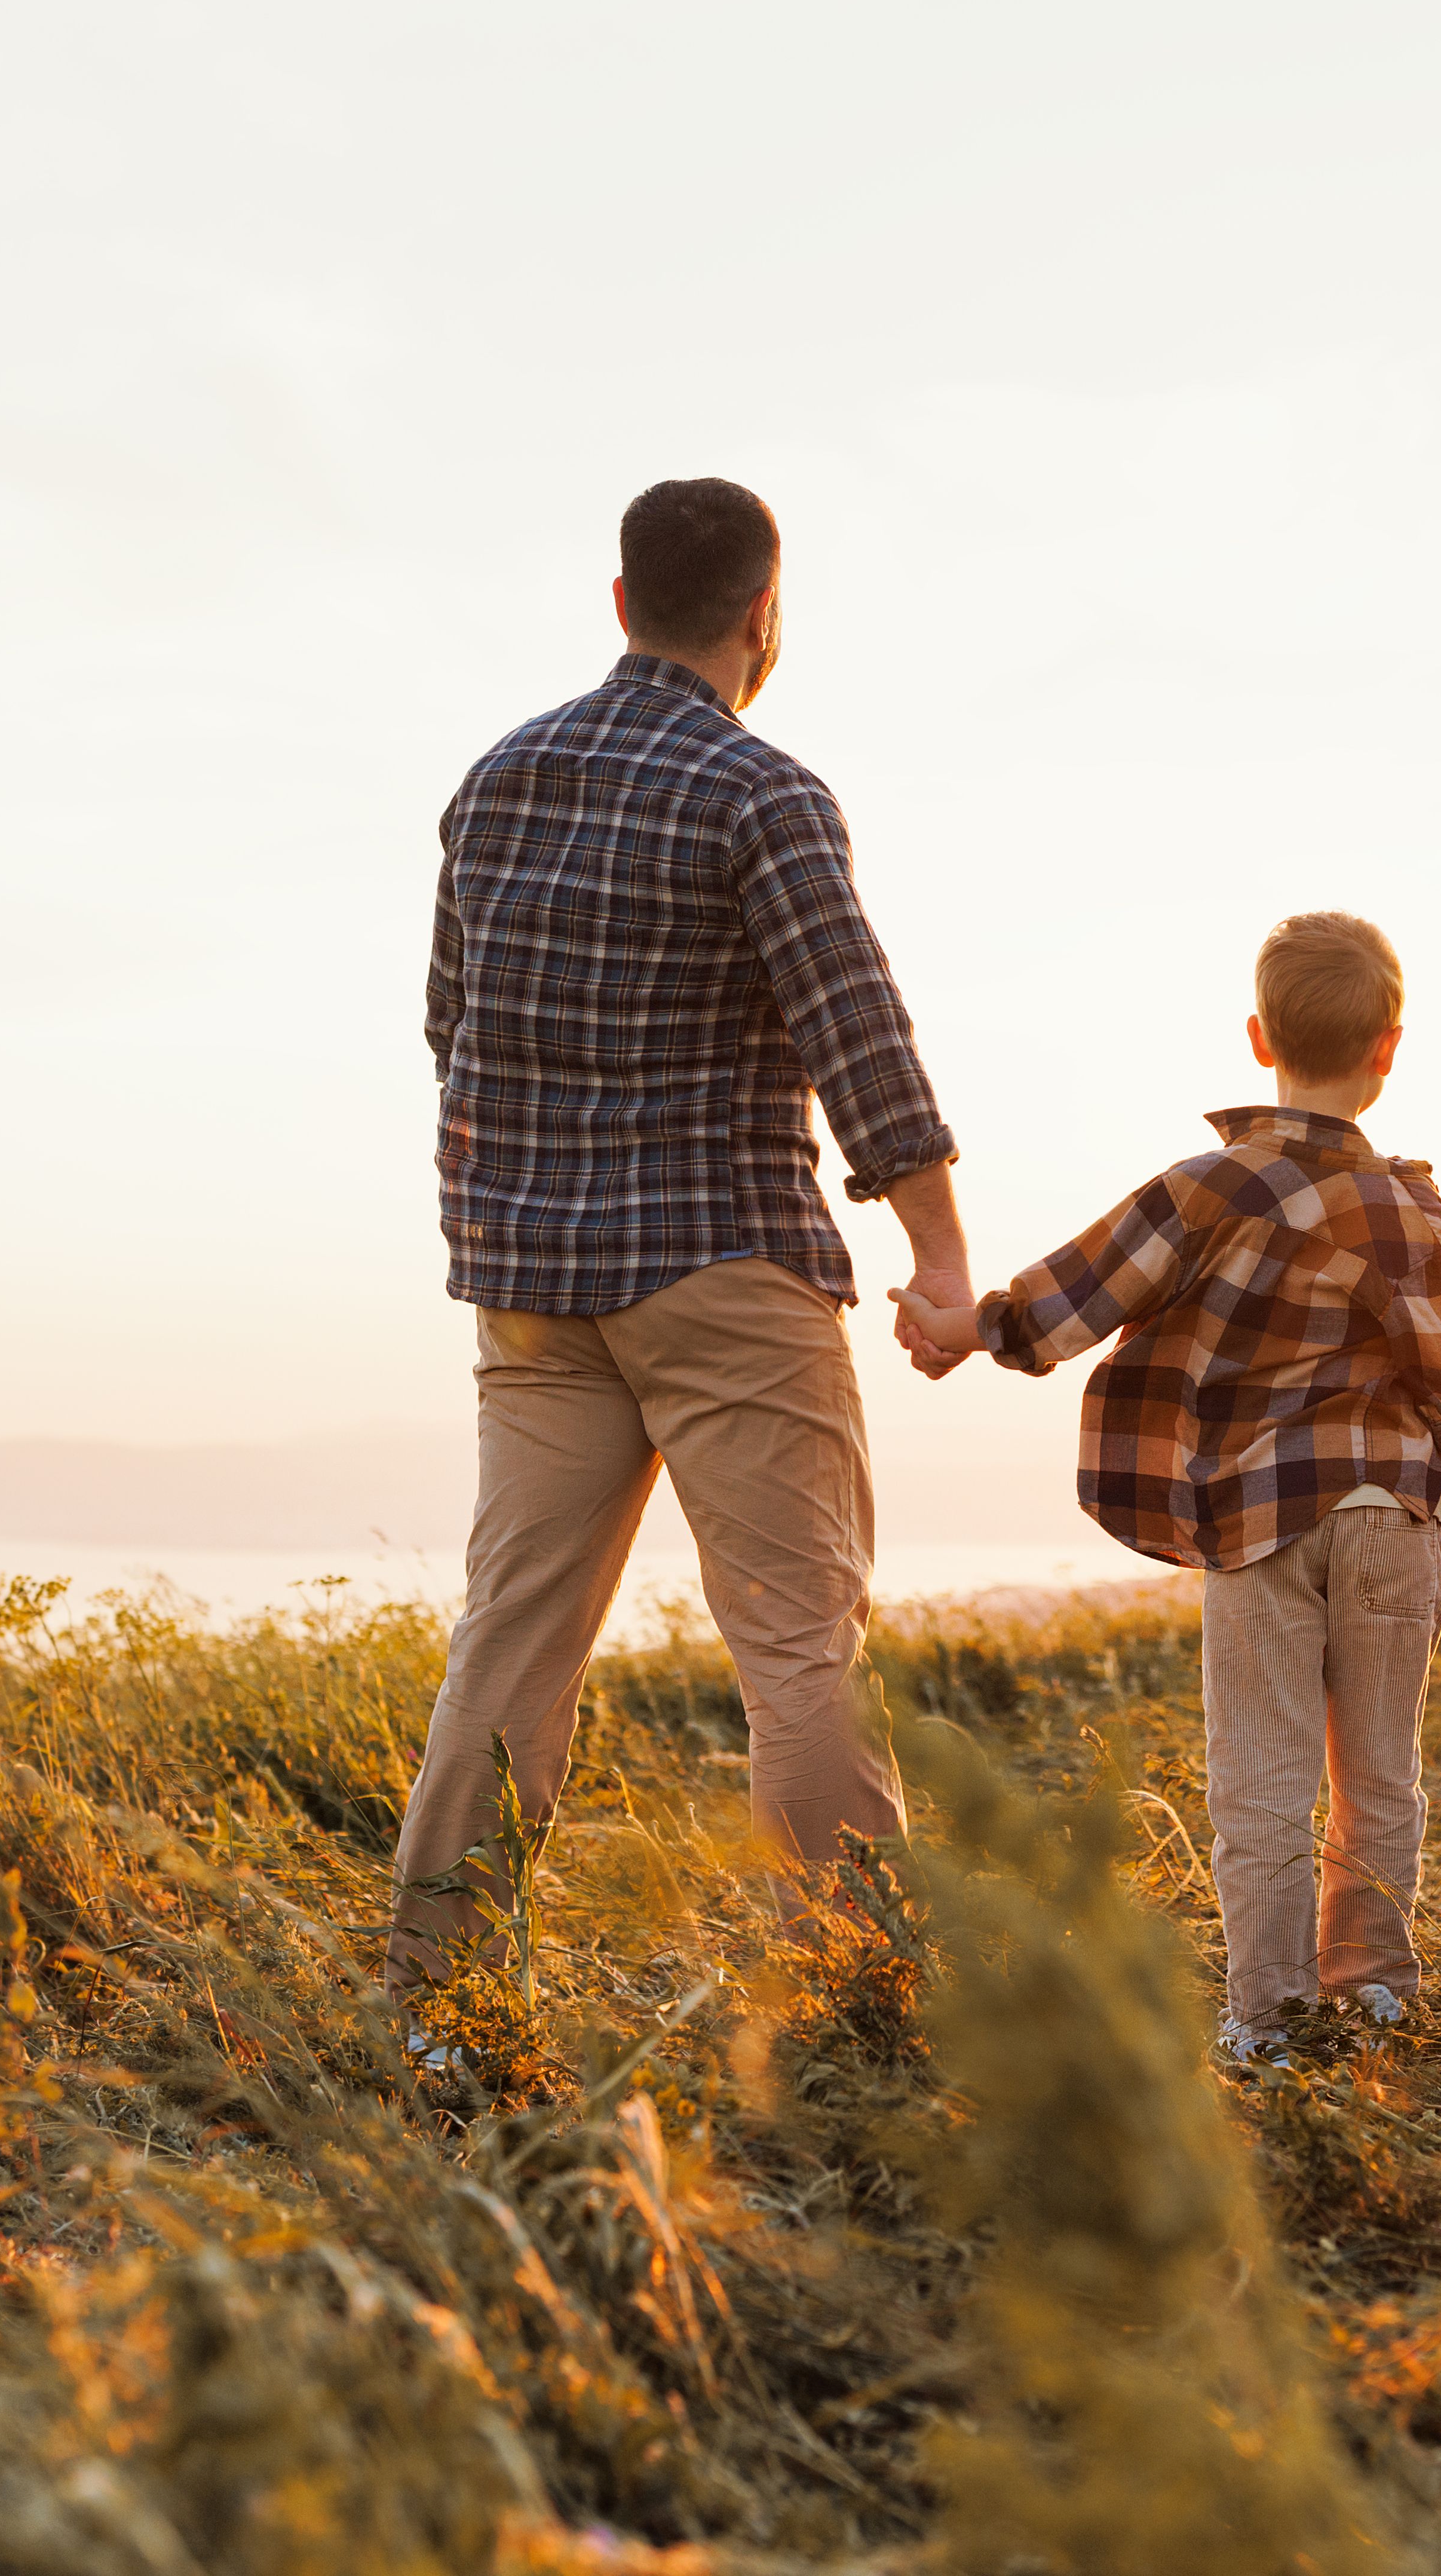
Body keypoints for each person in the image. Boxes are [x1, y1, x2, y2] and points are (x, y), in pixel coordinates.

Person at [394, 477, 972, 1990]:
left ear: (620, 601)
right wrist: (943, 1260)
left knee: (509, 1642)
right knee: (799, 1651)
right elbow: (862, 1041)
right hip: (722, 1267)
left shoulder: (497, 782)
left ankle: (441, 2001)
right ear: (763, 617)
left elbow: (451, 1023)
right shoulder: (760, 793)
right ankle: (857, 1996)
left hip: (531, 1292)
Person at [893, 914, 1441, 2063]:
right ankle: (1374, 1987)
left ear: (1259, 1038)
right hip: (1392, 1519)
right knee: (1381, 1776)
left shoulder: (1206, 1187)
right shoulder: (1410, 1206)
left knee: (1260, 1782)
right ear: (1390, 1049)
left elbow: (1072, 1300)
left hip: (1259, 1522)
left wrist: (958, 1328)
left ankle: (1267, 2013)